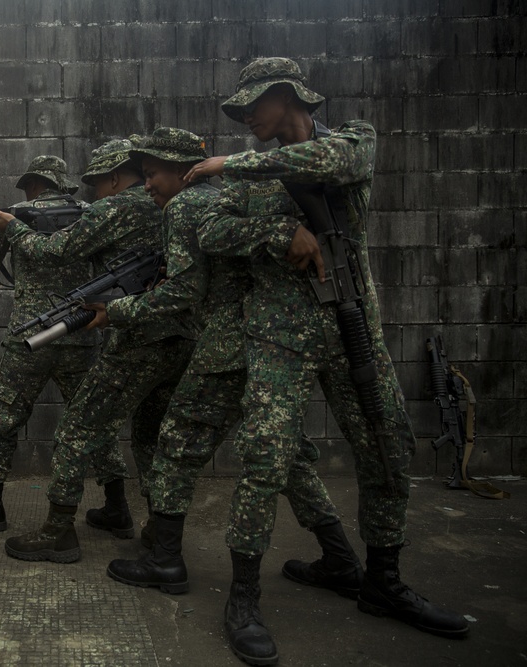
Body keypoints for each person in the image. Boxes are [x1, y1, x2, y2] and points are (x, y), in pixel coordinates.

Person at [187, 57, 469, 665]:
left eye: (250, 107)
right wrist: (276, 235)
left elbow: (334, 163)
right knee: (265, 455)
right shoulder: (243, 180)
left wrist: (232, 162)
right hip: (279, 334)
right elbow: (208, 229)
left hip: (351, 330)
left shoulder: (351, 140)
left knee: (388, 445)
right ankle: (243, 596)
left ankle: (382, 581)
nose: (244, 120)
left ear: (286, 96)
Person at [85, 128, 361, 603]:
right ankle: (339, 556)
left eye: (151, 174)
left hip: (225, 346)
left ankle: (165, 560)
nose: (147, 184)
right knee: (288, 458)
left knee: (175, 445)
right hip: (267, 344)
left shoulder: (184, 208)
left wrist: (117, 312)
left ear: (179, 171)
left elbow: (184, 292)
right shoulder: (229, 195)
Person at [0, 137, 196, 563]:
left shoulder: (116, 208)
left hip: (137, 338)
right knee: (151, 438)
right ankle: (155, 531)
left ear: (114, 178)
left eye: (96, 184)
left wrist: (14, 228)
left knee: (76, 430)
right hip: (181, 336)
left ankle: (58, 531)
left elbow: (55, 248)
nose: (92, 195)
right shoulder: (176, 204)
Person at [0, 156, 101, 532]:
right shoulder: (90, 213)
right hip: (81, 327)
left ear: (33, 184)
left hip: (30, 334)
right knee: (92, 419)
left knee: (2, 417)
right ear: (59, 184)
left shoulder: (13, 218)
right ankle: (117, 506)